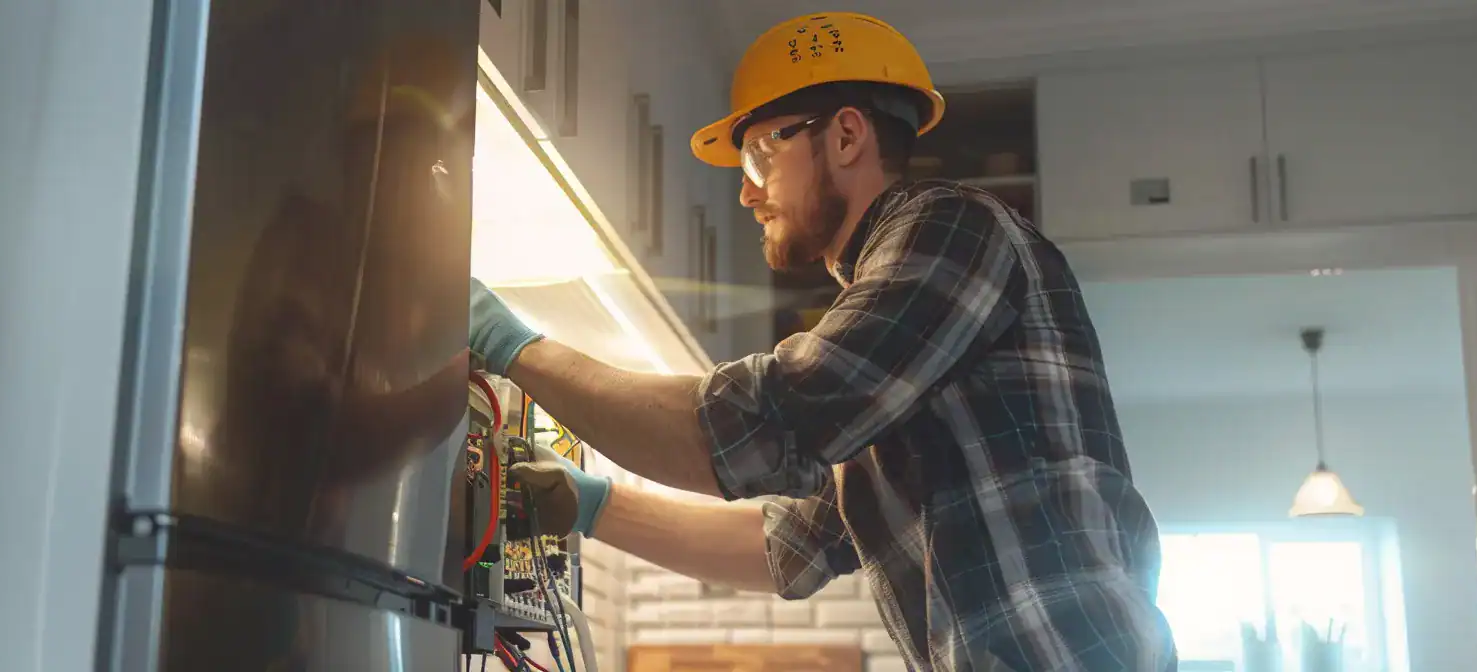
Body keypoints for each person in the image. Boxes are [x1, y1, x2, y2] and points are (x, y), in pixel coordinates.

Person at [469, 11, 1178, 671]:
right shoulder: (896, 355)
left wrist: (509, 344)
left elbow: (753, 424)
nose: (747, 194)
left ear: (845, 136)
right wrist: (592, 505)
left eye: (757, 157)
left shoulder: (952, 229)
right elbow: (790, 547)